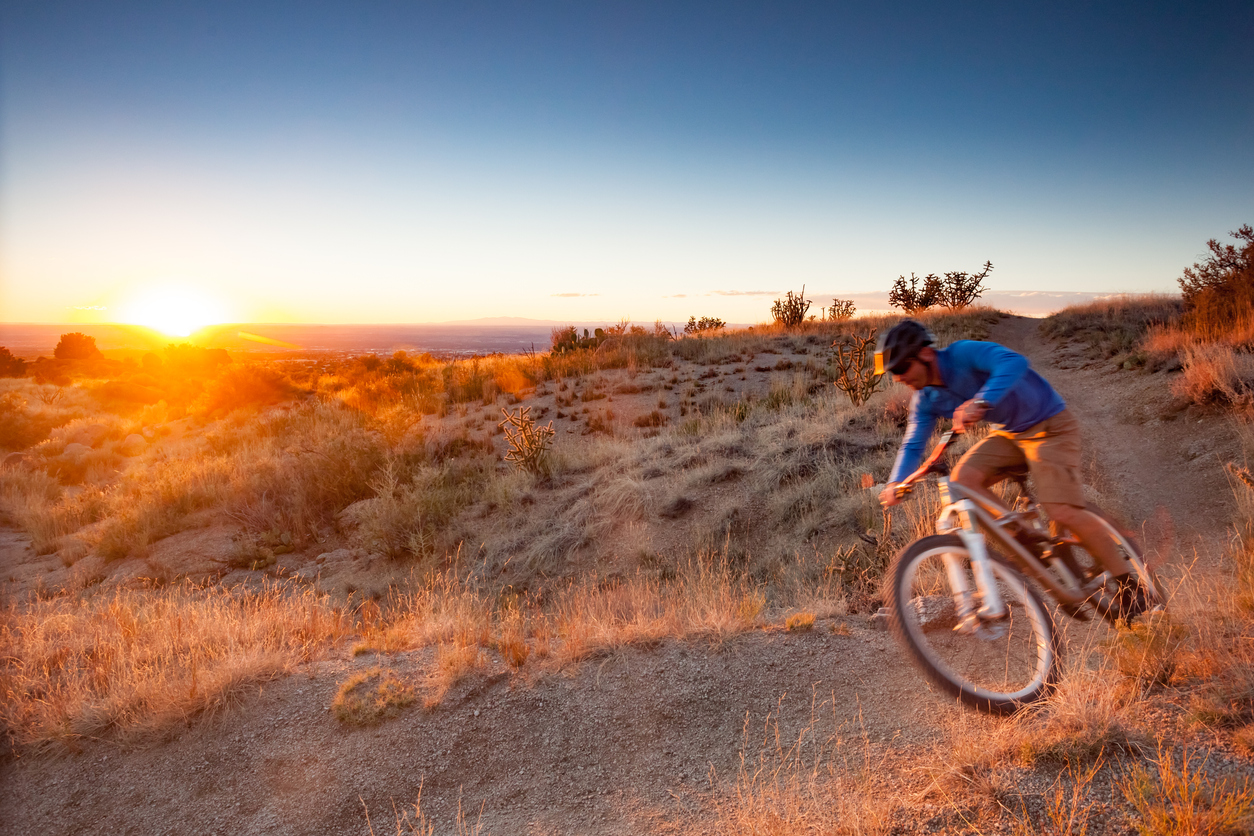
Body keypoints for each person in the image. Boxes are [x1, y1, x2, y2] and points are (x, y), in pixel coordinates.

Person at [875, 319, 1133, 582]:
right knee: (962, 481)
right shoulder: (926, 399)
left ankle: (1130, 587)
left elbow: (1014, 362)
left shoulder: (962, 353)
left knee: (1060, 510)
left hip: (1050, 426)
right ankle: (1027, 538)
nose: (899, 377)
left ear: (926, 353)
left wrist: (981, 400)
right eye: (893, 372)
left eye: (903, 367)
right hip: (1009, 433)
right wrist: (896, 482)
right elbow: (913, 443)